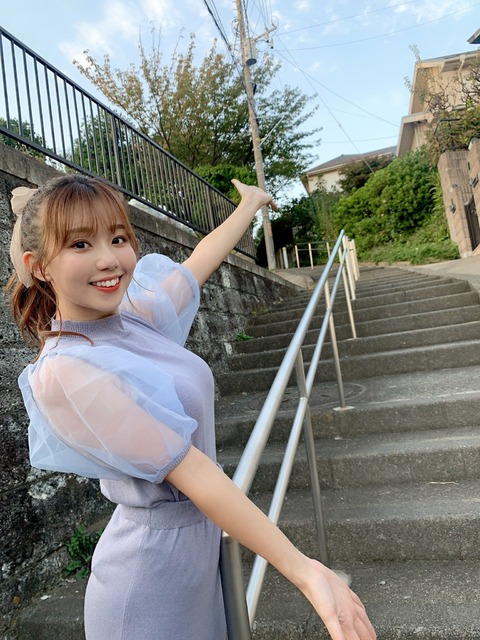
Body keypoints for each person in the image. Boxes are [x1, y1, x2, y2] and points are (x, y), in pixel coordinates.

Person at [6, 174, 376, 640]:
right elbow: (193, 470)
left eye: (118, 238)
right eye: (80, 244)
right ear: (38, 266)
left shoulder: (132, 317)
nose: (109, 259)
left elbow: (200, 260)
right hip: (150, 583)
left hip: (197, 559)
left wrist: (249, 205)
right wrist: (305, 571)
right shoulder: (68, 370)